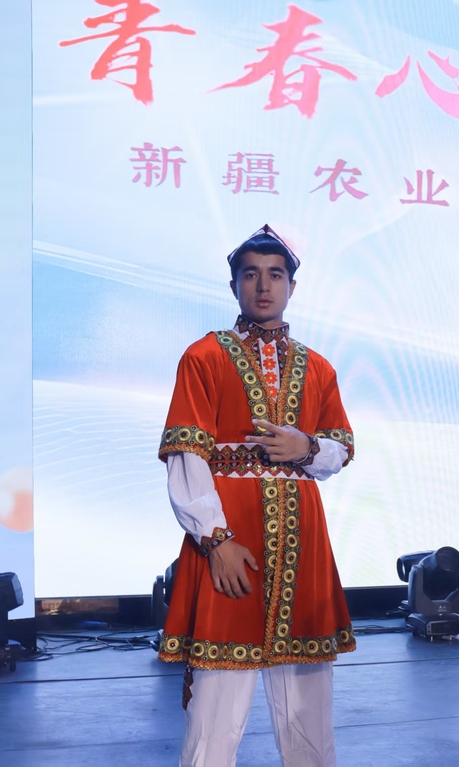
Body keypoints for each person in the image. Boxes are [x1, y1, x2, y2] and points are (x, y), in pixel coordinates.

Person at [158, 224, 356, 767]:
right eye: (251, 275)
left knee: (310, 708)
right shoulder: (204, 357)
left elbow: (340, 448)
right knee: (215, 708)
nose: (263, 286)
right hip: (231, 542)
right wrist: (215, 539)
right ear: (234, 286)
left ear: (292, 285)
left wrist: (305, 446)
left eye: (275, 275)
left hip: (302, 548)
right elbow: (186, 455)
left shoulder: (319, 367)